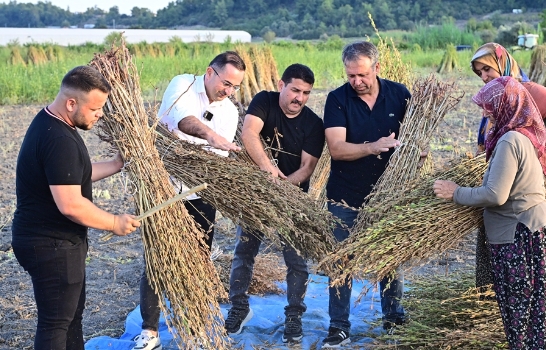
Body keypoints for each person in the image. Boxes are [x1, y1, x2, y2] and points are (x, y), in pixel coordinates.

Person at [11, 65, 141, 350]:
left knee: (71, 318)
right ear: (72, 103)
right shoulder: (58, 139)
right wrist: (114, 222)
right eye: (95, 108)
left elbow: (71, 175)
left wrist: (116, 165)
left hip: (54, 242)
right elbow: (70, 203)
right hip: (50, 244)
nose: (100, 114)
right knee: (56, 324)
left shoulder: (53, 124)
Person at [433, 76, 546, 350]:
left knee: (524, 316)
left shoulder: (509, 141)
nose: (484, 111)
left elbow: (495, 194)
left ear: (506, 105)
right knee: (539, 315)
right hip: (533, 232)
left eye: (489, 105)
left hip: (522, 238)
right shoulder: (523, 134)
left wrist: (455, 191)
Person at [133, 51, 246, 350]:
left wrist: (212, 148)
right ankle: (150, 332)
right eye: (226, 83)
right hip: (163, 189)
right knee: (157, 259)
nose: (229, 91)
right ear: (210, 73)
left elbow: (213, 163)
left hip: (200, 194)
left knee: (198, 259)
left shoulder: (229, 111)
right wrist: (209, 136)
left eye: (235, 87)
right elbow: (182, 121)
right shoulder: (182, 84)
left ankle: (192, 328)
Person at [224, 63, 325, 343]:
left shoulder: (314, 124)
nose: (299, 98)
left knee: (296, 261)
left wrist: (281, 189)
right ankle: (239, 308)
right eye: (295, 90)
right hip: (256, 196)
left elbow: (307, 168)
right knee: (244, 252)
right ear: (281, 85)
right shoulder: (265, 101)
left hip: (292, 199)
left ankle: (294, 315)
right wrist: (268, 171)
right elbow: (249, 134)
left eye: (305, 93)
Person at [322, 41, 410, 348]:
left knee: (391, 257)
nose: (356, 81)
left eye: (362, 75)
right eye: (351, 76)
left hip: (388, 195)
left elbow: (412, 139)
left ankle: (393, 317)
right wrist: (374, 146)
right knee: (340, 260)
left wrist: (419, 153)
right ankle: (338, 325)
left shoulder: (400, 94)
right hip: (344, 196)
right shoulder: (337, 99)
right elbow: (337, 148)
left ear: (377, 68)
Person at [470, 42, 546, 290]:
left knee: (526, 255)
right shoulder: (499, 94)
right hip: (503, 186)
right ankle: (503, 299)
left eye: (487, 69)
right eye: (479, 73)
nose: (484, 77)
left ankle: (527, 302)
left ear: (502, 63)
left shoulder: (525, 90)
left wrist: (541, 150)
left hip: (524, 192)